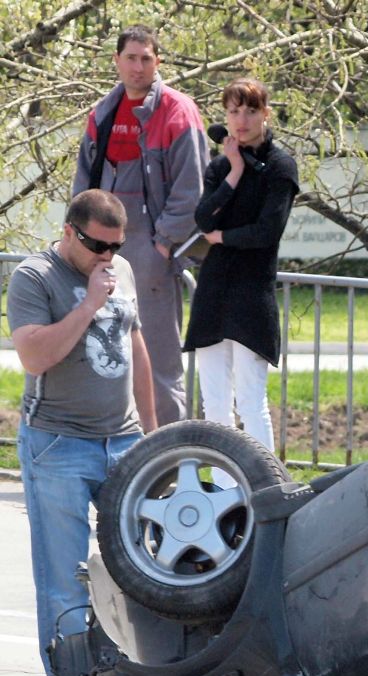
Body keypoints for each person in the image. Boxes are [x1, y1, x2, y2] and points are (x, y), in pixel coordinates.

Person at [7, 189, 157, 676]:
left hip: (122, 440)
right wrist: (88, 306)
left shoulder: (117, 268)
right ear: (70, 232)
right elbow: (34, 358)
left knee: (143, 571)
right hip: (58, 445)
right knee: (65, 581)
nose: (108, 257)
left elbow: (137, 350)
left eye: (117, 247)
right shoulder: (34, 277)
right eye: (98, 245)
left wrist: (153, 437)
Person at [73, 24, 208, 428]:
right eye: (130, 58)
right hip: (103, 256)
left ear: (158, 62)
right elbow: (84, 188)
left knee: (159, 364)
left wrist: (162, 245)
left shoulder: (178, 111)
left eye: (146, 58)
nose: (137, 67)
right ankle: (121, 454)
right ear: (116, 61)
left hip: (151, 257)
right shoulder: (102, 113)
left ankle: (167, 461)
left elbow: (191, 190)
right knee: (104, 358)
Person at [182, 78, 299, 451]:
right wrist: (233, 171)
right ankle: (223, 487)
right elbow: (204, 219)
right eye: (234, 111)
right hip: (214, 289)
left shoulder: (280, 166)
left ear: (265, 113)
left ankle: (264, 486)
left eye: (250, 111)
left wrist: (225, 238)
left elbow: (267, 231)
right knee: (214, 403)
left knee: (251, 402)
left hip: (251, 292)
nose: (241, 120)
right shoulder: (219, 166)